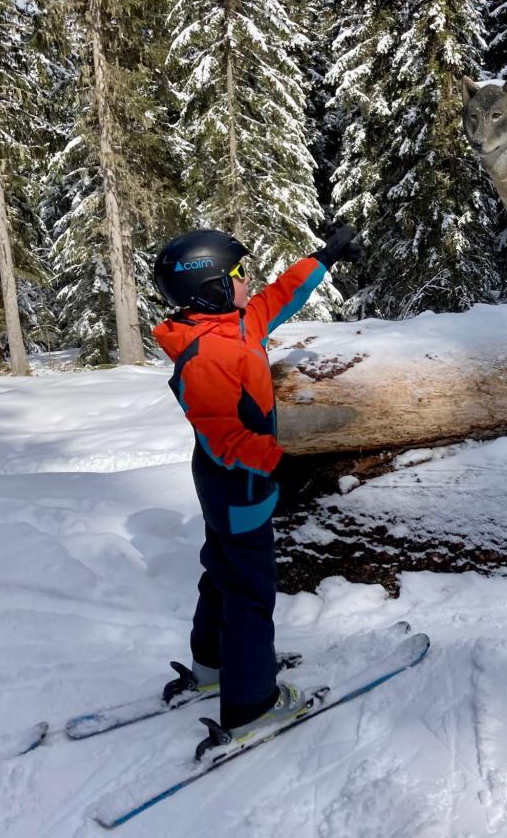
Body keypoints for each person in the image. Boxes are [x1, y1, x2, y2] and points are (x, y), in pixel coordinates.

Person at [151, 225, 360, 749]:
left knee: (221, 568)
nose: (250, 283)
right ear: (213, 289)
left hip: (231, 482)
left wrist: (323, 257)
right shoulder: (207, 357)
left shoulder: (233, 327)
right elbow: (222, 437)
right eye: (239, 275)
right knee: (249, 590)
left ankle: (212, 665)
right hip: (237, 481)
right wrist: (278, 465)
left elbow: (278, 299)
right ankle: (250, 705)